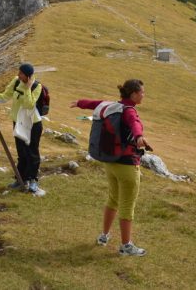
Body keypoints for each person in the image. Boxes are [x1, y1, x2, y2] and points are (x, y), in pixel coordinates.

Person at [70, 79, 150, 257]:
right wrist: (139, 137)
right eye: (142, 92)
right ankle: (126, 246)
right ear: (133, 94)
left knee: (113, 199)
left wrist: (79, 103)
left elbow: (95, 104)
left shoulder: (112, 106)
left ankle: (104, 236)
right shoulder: (129, 111)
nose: (143, 95)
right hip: (127, 165)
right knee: (127, 206)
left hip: (110, 162)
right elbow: (135, 123)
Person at [0, 63, 44, 193]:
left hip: (33, 124)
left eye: (21, 73)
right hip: (18, 123)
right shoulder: (16, 82)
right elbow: (5, 96)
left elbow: (29, 104)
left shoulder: (36, 86)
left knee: (32, 152)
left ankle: (33, 180)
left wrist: (27, 89)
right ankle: (21, 179)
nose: (18, 75)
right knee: (21, 152)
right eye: (19, 72)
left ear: (27, 76)